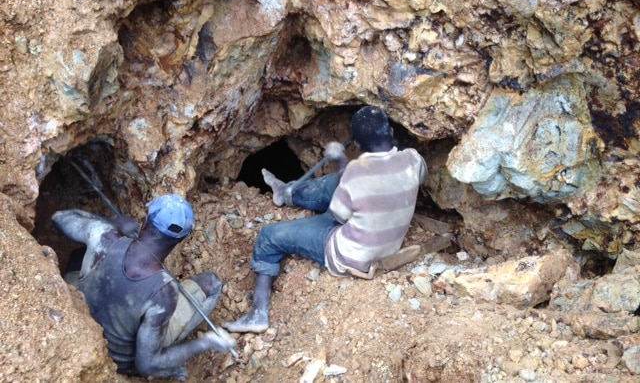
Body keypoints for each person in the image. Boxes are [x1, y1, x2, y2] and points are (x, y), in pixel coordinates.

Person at [223, 106, 428, 334]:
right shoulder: (413, 159)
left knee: (268, 236)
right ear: (390, 132)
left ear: (357, 145)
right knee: (334, 183)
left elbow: (338, 216)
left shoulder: (356, 172)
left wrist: (340, 160)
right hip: (390, 245)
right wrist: (345, 169)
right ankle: (286, 193)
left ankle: (257, 316)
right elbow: (389, 170)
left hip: (349, 255)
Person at [52, 194, 235, 380]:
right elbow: (146, 365)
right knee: (211, 283)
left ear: (145, 221)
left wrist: (114, 223)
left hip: (79, 323)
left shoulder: (103, 236)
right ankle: (168, 369)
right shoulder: (163, 294)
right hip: (119, 360)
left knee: (79, 255)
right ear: (181, 239)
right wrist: (205, 343)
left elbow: (60, 217)